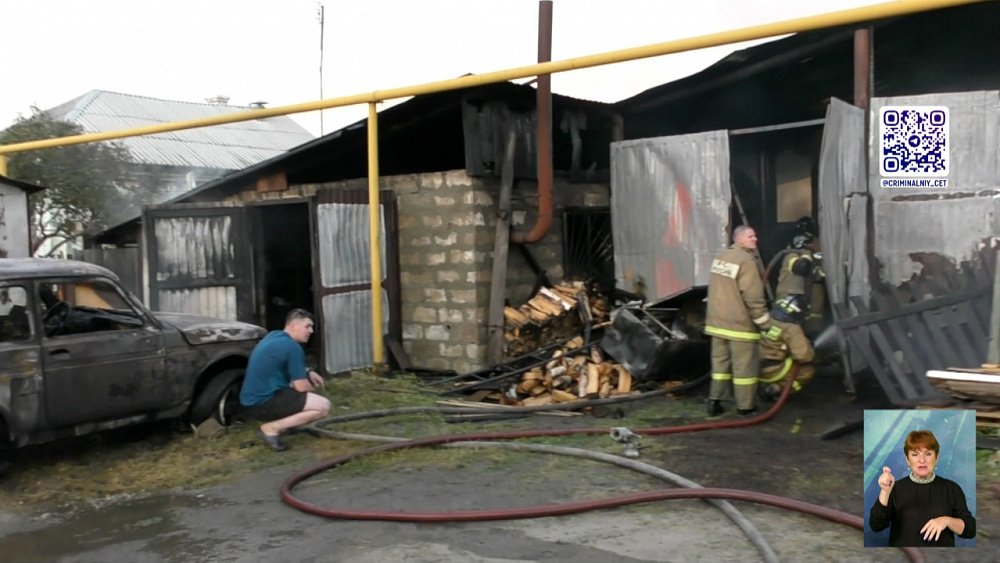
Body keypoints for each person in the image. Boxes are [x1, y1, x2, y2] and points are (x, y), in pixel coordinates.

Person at [239, 308, 331, 452]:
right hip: (263, 403)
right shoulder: (292, 347)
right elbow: (301, 388)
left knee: (298, 392)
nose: (311, 331)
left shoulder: (273, 336)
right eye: (307, 326)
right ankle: (270, 429)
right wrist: (314, 395)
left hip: (250, 401)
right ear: (293, 326)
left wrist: (308, 371)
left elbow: (284, 364)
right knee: (322, 406)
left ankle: (286, 425)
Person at [869, 429, 976, 547]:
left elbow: (970, 530)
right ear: (907, 460)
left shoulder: (952, 489)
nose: (922, 460)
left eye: (928, 454)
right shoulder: (895, 489)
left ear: (937, 458)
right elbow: (876, 526)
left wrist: (947, 521)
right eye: (915, 454)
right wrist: (885, 491)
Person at [705, 225, 771, 416]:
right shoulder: (746, 260)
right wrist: (764, 323)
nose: (755, 239)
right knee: (744, 368)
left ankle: (714, 401)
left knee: (720, 366)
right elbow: (753, 296)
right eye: (751, 236)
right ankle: (745, 406)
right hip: (739, 325)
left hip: (717, 323)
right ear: (739, 239)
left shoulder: (721, 257)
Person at [757, 295, 815, 401]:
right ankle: (777, 388)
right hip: (773, 371)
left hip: (753, 368)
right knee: (807, 371)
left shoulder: (767, 319)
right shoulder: (791, 328)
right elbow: (803, 356)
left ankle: (763, 385)